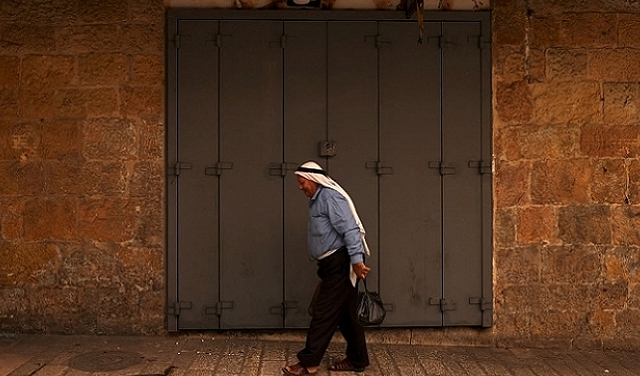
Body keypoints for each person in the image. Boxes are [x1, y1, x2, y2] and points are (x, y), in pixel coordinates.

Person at [282, 161, 371, 376]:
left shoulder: (329, 198)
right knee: (347, 315)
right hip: (332, 264)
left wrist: (357, 261)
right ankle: (358, 359)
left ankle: (308, 363)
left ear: (313, 180)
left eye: (302, 182)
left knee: (323, 313)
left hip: (340, 264)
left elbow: (350, 229)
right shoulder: (318, 199)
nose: (299, 187)